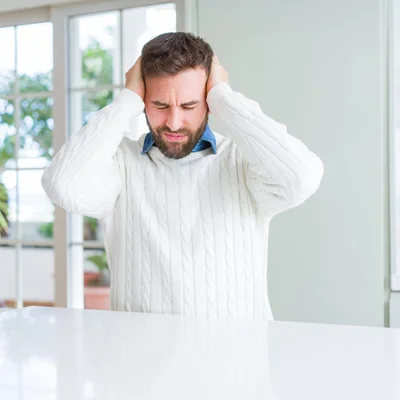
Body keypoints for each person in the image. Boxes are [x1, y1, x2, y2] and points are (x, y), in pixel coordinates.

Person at [41, 32, 323, 320]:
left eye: (189, 106)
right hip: (137, 360)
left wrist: (225, 97)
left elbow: (300, 179)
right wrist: (125, 101)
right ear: (143, 100)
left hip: (236, 361)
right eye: (160, 106)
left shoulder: (243, 162)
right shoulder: (121, 165)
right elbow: (63, 185)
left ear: (209, 101)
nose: (174, 123)